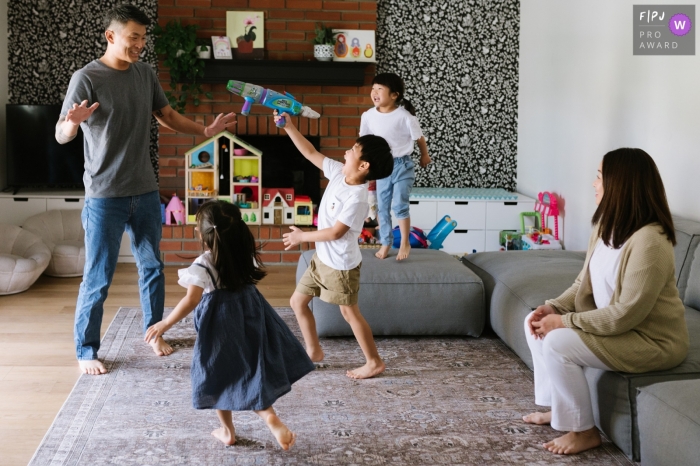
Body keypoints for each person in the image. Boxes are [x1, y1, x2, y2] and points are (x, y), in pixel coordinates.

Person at [55, 4, 236, 375]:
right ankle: (86, 350)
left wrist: (203, 131)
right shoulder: (86, 77)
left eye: (143, 38)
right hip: (105, 194)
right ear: (111, 36)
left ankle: (154, 333)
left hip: (144, 190)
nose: (140, 44)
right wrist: (72, 125)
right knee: (98, 275)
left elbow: (166, 116)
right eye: (133, 37)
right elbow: (61, 134)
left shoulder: (145, 74)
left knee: (152, 266)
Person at [523, 148, 689, 455]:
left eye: (599, 176)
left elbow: (625, 315)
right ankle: (561, 410)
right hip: (619, 326)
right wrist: (555, 307)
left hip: (649, 341)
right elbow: (581, 284)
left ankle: (584, 432)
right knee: (534, 319)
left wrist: (564, 321)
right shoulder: (605, 226)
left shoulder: (650, 242)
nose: (593, 183)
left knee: (557, 341)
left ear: (621, 184)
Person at [144, 201, 314, 450]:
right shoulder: (243, 253)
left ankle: (227, 431)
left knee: (218, 375)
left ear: (202, 235)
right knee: (250, 370)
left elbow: (191, 300)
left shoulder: (203, 264)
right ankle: (269, 416)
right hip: (251, 315)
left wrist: (165, 323)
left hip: (220, 323)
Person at [276, 111, 394, 379]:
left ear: (364, 166)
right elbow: (309, 152)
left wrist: (301, 237)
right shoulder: (339, 175)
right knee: (297, 302)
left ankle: (374, 361)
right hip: (322, 260)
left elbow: (336, 232)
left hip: (340, 265)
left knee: (349, 313)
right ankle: (314, 350)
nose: (346, 152)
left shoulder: (358, 197)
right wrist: (289, 127)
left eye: (353, 150)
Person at [359, 72, 431, 261]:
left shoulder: (404, 116)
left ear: (394, 95)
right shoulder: (368, 116)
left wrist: (424, 155)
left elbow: (419, 138)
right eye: (373, 88)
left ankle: (405, 241)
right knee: (382, 208)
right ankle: (385, 242)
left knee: (399, 205)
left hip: (402, 165)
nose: (374, 92)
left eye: (380, 89)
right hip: (383, 168)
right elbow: (364, 143)